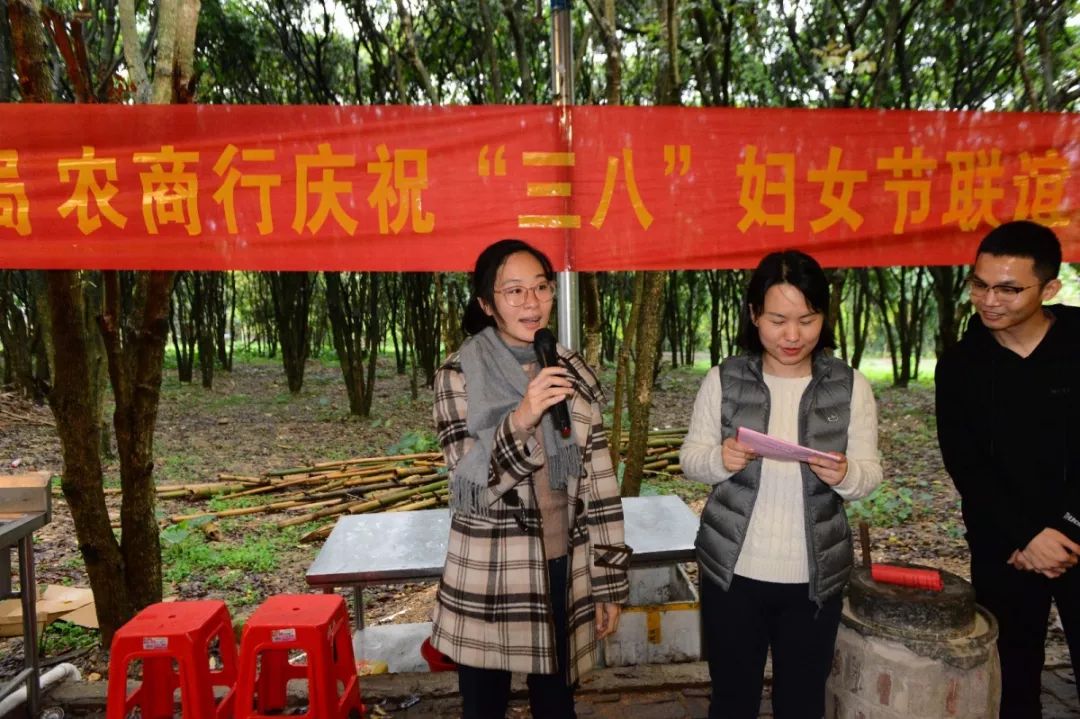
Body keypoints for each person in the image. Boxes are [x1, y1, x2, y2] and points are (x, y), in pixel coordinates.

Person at [430, 239, 631, 719]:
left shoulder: (567, 365)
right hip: (491, 571)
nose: (532, 302)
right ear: (486, 303)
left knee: (558, 704)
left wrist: (608, 581)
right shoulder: (457, 375)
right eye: (514, 291)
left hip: (563, 562)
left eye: (541, 287)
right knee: (484, 705)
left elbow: (599, 481)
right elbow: (470, 483)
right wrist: (520, 417)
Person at [680, 250, 882, 719]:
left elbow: (869, 472)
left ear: (824, 317)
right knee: (732, 699)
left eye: (807, 320)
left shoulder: (850, 386)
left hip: (814, 578)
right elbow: (692, 459)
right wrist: (720, 459)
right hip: (733, 571)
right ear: (754, 316)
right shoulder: (724, 379)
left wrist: (847, 474)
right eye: (777, 320)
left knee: (802, 701)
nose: (793, 336)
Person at [935, 220, 1079, 717]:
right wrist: (1023, 536)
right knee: (1012, 681)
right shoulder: (960, 364)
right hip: (1006, 548)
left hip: (1077, 536)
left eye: (1009, 289)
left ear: (1050, 287)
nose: (989, 300)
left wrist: (1063, 530)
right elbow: (966, 464)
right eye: (979, 284)